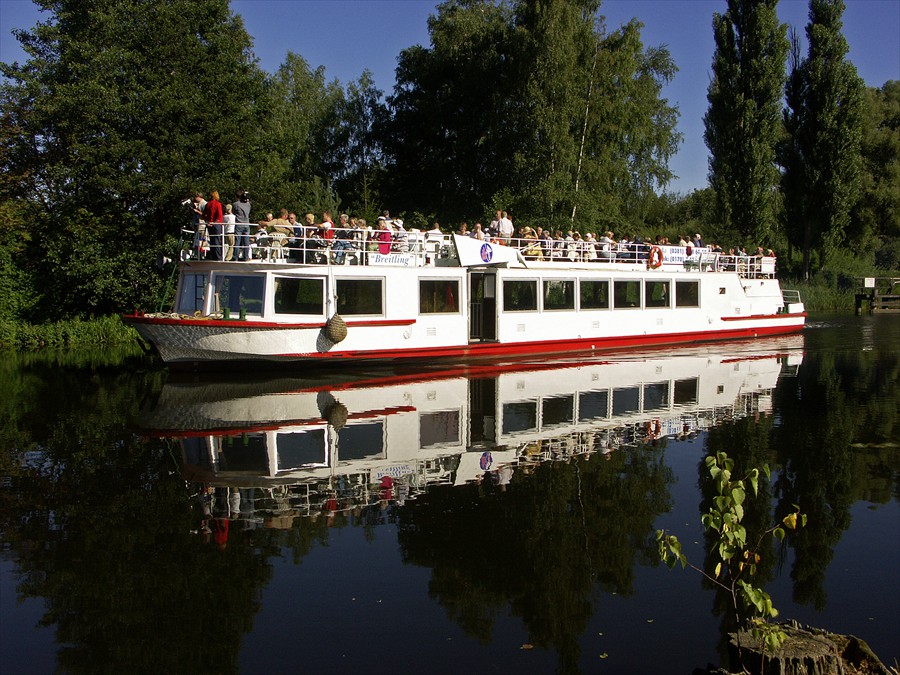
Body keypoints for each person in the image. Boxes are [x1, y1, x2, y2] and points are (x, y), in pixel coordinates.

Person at [202, 190, 224, 260]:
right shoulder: (218, 204)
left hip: (209, 224)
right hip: (216, 225)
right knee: (217, 241)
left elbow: (203, 215)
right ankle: (218, 257)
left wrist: (208, 221)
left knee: (212, 241)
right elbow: (220, 215)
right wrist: (215, 222)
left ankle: (213, 255)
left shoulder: (208, 204)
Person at [232, 191, 251, 261]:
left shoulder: (236, 204)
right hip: (247, 225)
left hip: (239, 224)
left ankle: (235, 257)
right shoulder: (249, 205)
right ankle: (246, 257)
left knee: (237, 241)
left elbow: (234, 212)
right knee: (246, 242)